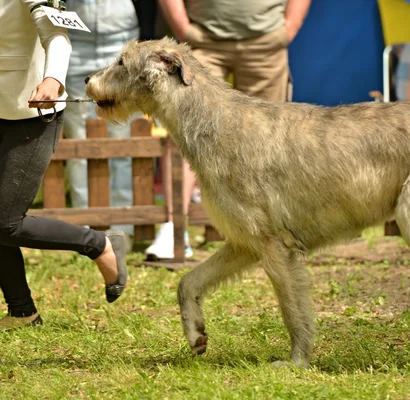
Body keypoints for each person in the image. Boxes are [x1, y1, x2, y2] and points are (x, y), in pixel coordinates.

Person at [143, 0, 312, 261]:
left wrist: (289, 27)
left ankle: (270, 232)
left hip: (266, 41)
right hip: (200, 41)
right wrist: (185, 30)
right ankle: (174, 230)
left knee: (270, 140)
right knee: (184, 133)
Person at [0, 0, 128, 330]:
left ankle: (100, 244)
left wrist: (53, 78)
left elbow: (57, 34)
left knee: (5, 223)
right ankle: (22, 312)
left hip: (27, 110)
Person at [62, 0, 143, 243]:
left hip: (121, 43)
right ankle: (82, 228)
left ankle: (122, 228)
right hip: (74, 45)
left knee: (122, 145)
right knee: (78, 146)